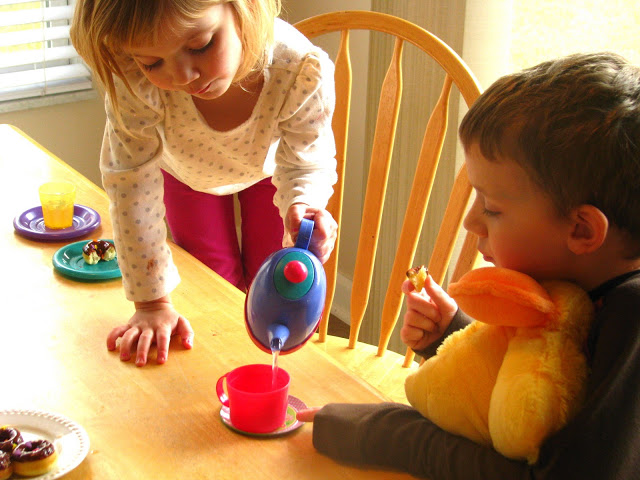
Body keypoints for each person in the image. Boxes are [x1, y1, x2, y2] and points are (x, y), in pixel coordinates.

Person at [296, 52, 640, 479]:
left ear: (583, 231)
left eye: (491, 208)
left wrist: (389, 435)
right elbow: (540, 400)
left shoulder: (630, 319)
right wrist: (452, 336)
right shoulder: (573, 284)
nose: (470, 221)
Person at [70, 0, 338, 366]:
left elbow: (306, 162)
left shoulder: (298, 69)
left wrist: (305, 203)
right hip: (185, 173)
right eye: (152, 63)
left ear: (243, 8)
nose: (182, 76)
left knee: (274, 282)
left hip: (270, 173)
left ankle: (263, 369)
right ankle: (220, 366)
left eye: (199, 46)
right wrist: (151, 303)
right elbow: (130, 181)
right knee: (214, 287)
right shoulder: (134, 80)